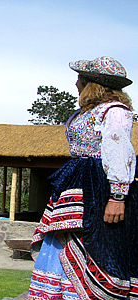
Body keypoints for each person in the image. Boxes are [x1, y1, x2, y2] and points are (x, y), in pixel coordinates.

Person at [28, 56, 138, 300]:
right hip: (77, 182)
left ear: (91, 84)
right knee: (65, 236)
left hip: (99, 186)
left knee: (96, 239)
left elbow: (119, 151)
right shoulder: (84, 113)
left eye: (80, 79)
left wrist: (117, 196)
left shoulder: (116, 112)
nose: (76, 83)